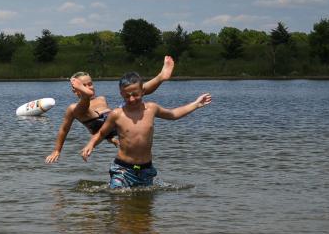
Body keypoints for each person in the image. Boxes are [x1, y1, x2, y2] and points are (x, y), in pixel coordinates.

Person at [80, 71, 211, 189]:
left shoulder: (151, 109)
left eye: (135, 94)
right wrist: (91, 144)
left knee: (145, 211)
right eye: (127, 96)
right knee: (118, 199)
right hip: (122, 169)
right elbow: (102, 133)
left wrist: (196, 104)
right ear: (121, 94)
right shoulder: (117, 114)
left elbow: (173, 114)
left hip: (146, 169)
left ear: (143, 91)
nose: (131, 99)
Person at [44, 56, 175, 164]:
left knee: (134, 93)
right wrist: (57, 150)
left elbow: (109, 123)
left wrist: (111, 137)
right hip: (95, 121)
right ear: (75, 90)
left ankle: (161, 77)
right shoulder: (73, 109)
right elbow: (64, 130)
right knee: (75, 108)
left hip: (115, 121)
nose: (90, 86)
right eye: (85, 85)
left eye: (90, 84)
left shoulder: (101, 99)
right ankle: (85, 96)